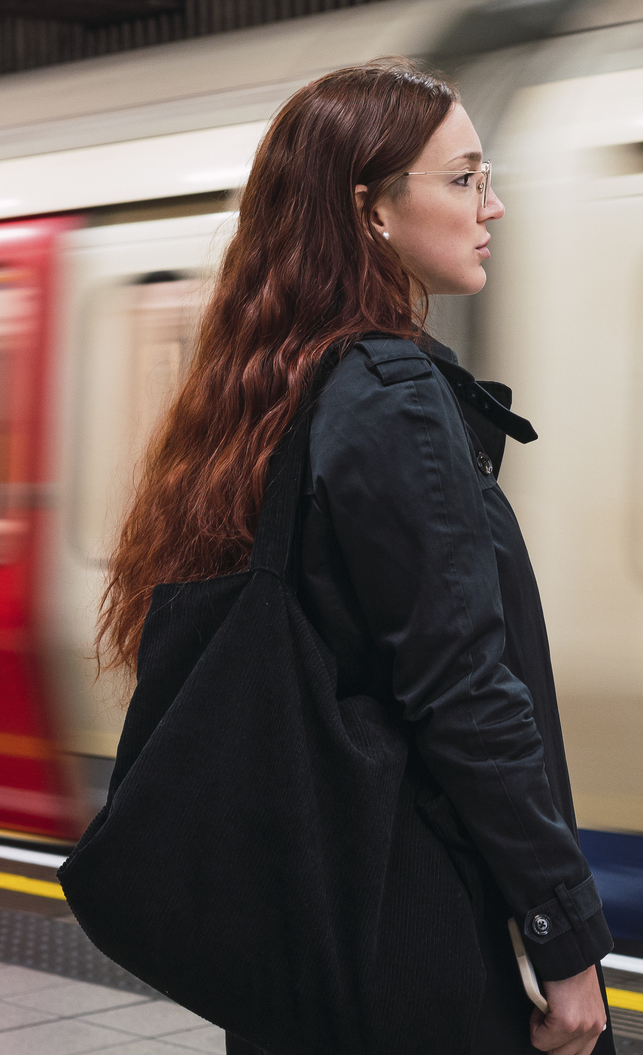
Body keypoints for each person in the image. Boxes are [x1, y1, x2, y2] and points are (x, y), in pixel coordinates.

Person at [95, 59, 613, 1054]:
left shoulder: (275, 390)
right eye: (463, 179)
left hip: (315, 931)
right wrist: (562, 933)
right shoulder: (388, 392)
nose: (492, 205)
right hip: (412, 941)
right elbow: (463, 685)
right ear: (368, 207)